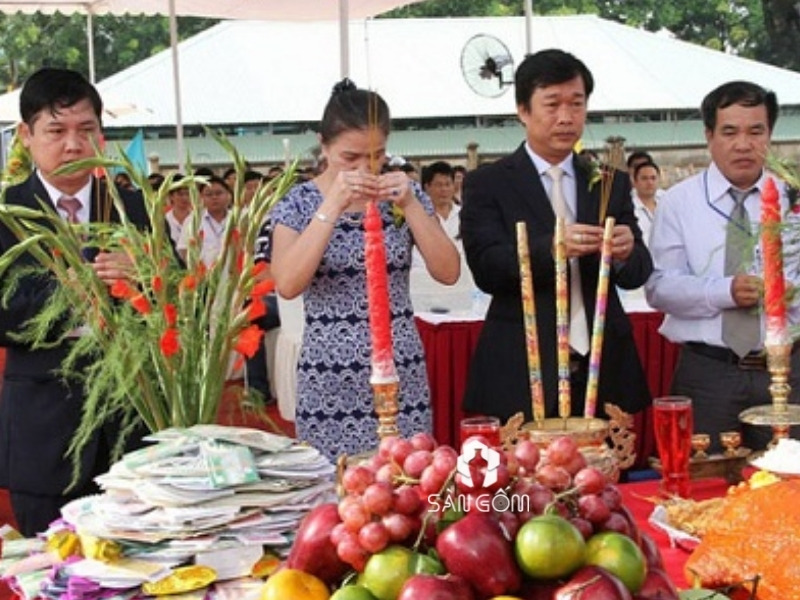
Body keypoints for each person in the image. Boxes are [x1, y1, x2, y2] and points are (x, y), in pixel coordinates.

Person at [261, 78, 459, 460]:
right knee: (339, 494)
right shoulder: (297, 203)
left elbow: (448, 271)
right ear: (324, 145)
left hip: (401, 370)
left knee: (406, 485)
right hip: (329, 374)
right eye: (349, 158)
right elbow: (286, 283)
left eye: (377, 155)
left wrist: (413, 207)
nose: (365, 167)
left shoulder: (404, 196)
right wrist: (331, 206)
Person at [460, 49, 653, 422]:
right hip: (522, 365)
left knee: (610, 477)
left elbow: (639, 270)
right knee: (524, 479)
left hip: (603, 363)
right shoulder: (489, 183)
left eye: (576, 104)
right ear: (523, 110)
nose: (566, 117)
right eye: (552, 104)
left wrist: (626, 251)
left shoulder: (609, 182)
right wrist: (550, 249)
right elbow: (486, 268)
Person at [0, 68, 149, 536]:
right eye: (56, 131)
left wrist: (144, 281)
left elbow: (180, 303)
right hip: (43, 434)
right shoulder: (7, 213)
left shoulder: (134, 207)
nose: (72, 145)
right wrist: (69, 295)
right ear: (26, 135)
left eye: (85, 130)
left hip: (131, 426)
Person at [646, 80, 800, 452]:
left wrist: (787, 295)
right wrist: (724, 291)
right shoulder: (679, 202)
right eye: (730, 132)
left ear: (770, 135)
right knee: (705, 489)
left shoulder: (791, 199)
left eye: (755, 131)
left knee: (788, 490)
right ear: (709, 135)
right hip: (708, 371)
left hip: (787, 370)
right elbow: (659, 287)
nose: (743, 144)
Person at [410, 160, 477, 313]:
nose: (444, 190)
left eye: (448, 184)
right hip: (422, 293)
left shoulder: (465, 215)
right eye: (439, 185)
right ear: (427, 187)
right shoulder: (418, 218)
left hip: (461, 294)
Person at [631, 160, 661, 248]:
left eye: (653, 178)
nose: (649, 182)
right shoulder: (629, 207)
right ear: (635, 182)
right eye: (644, 178)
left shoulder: (666, 202)